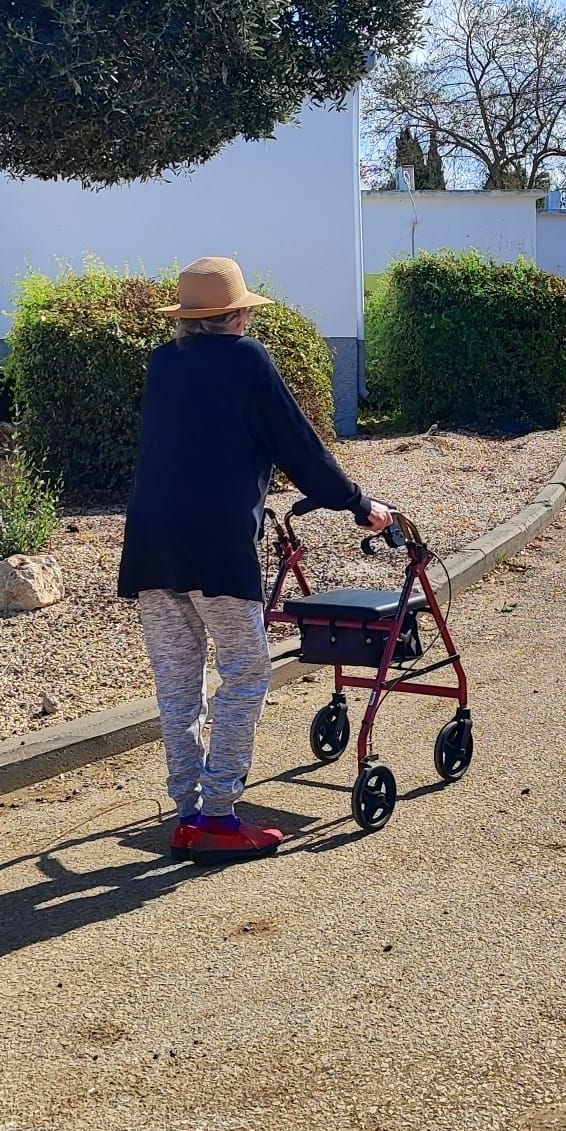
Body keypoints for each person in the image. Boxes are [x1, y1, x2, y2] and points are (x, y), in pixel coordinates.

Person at [118, 257, 391, 864]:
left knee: (178, 684)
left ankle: (188, 811)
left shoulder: (164, 365)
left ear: (189, 320)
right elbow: (299, 446)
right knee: (246, 671)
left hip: (151, 546)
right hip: (215, 546)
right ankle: (218, 814)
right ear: (237, 315)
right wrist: (356, 503)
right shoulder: (247, 360)